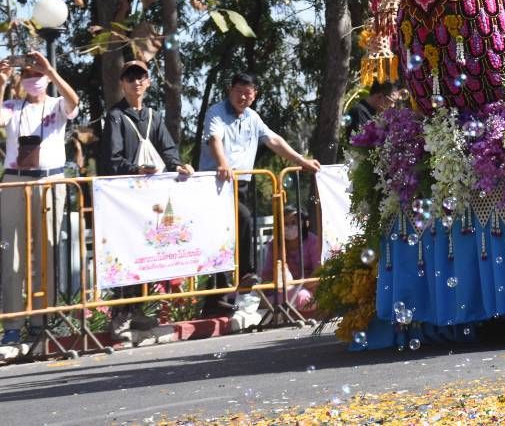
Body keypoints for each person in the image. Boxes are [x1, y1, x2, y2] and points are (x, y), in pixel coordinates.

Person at [198, 73, 320, 315]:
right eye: (238, 91)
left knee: (227, 239)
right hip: (217, 184)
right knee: (241, 220)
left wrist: (301, 160)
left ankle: (217, 300)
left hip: (242, 184)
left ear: (255, 96)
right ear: (230, 90)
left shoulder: (253, 118)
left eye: (248, 93)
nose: (242, 97)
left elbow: (274, 140)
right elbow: (214, 139)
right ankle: (246, 273)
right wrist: (223, 163)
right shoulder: (216, 112)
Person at [98, 59, 191, 340]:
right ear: (122, 84)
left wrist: (179, 165)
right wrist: (136, 169)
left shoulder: (154, 115)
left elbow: (169, 150)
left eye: (141, 77)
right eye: (130, 78)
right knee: (124, 254)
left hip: (148, 201)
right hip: (123, 200)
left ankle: (137, 310)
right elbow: (112, 159)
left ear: (148, 82)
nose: (136, 82)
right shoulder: (115, 116)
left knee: (144, 253)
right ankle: (120, 315)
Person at [1, 52, 79, 345]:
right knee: (12, 254)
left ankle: (40, 323)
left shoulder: (56, 105)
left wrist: (51, 71)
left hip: (49, 181)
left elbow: (74, 102)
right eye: (28, 74)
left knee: (46, 252)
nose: (33, 79)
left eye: (38, 74)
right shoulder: (12, 106)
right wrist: (2, 82)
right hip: (15, 180)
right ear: (21, 79)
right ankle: (12, 326)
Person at [260, 205, 322, 317]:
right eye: (285, 224)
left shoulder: (313, 242)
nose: (289, 227)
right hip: (282, 290)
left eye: (293, 222)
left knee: (303, 298)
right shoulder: (275, 245)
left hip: (309, 289)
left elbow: (318, 272)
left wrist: (297, 286)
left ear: (302, 223)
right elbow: (267, 274)